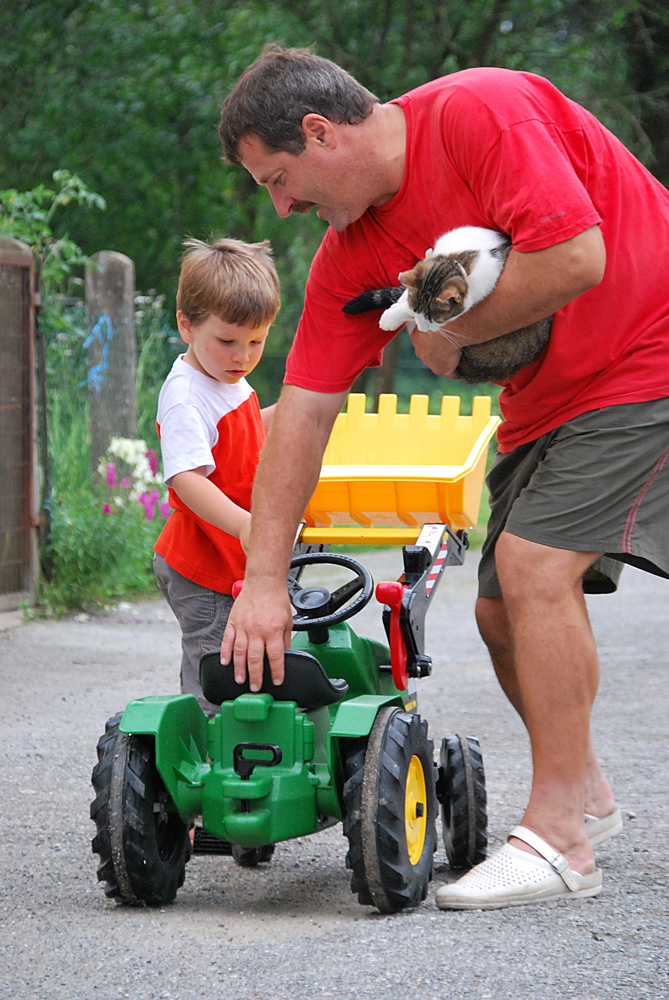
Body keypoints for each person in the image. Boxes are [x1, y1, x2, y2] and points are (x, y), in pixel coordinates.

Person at [216, 45, 669, 909]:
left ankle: (561, 841)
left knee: (536, 568)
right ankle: (587, 797)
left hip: (649, 353)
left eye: (278, 178)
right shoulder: (346, 256)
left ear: (319, 132)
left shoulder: (479, 110)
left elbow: (575, 257)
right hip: (547, 405)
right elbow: (303, 416)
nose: (280, 204)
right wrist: (263, 582)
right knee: (500, 609)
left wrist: (439, 324)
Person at [153, 236, 279, 717]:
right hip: (202, 565)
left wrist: (285, 417)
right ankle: (204, 755)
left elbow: (238, 433)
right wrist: (248, 525)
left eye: (256, 341)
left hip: (231, 556)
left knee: (248, 659)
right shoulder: (187, 394)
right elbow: (187, 477)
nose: (242, 356)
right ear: (186, 324)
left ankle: (246, 748)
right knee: (217, 667)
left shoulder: (224, 375)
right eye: (228, 340)